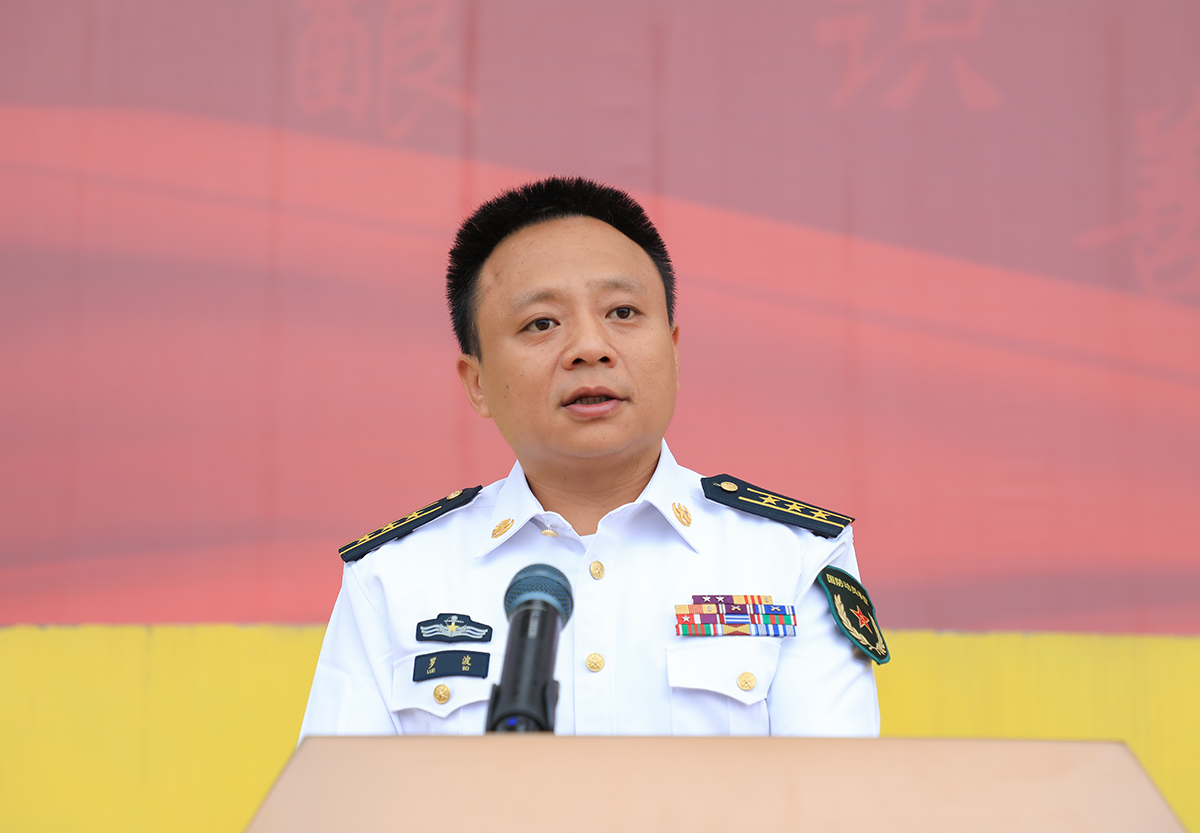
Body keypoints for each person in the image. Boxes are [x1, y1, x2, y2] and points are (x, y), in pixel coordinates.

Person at [299, 176, 885, 739]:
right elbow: (340, 797)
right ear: (477, 383)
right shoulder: (394, 578)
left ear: (673, 351)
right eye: (541, 323)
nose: (589, 348)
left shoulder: (791, 557)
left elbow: (835, 791)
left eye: (622, 313)